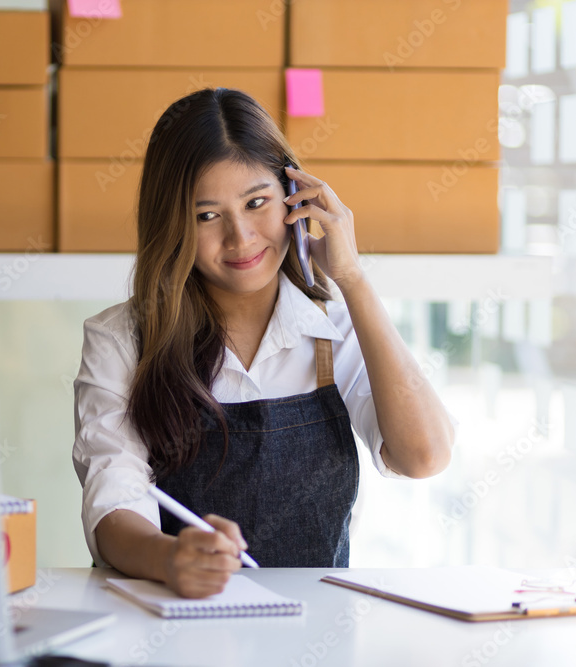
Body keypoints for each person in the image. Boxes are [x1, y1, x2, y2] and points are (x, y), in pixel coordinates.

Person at [72, 87, 455, 599]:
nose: (241, 237)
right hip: (175, 624)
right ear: (173, 224)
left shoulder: (336, 326)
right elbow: (112, 506)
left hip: (315, 634)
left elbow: (423, 456)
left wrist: (352, 279)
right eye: (207, 215)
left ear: (295, 196)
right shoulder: (121, 340)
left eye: (257, 203)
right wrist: (171, 558)